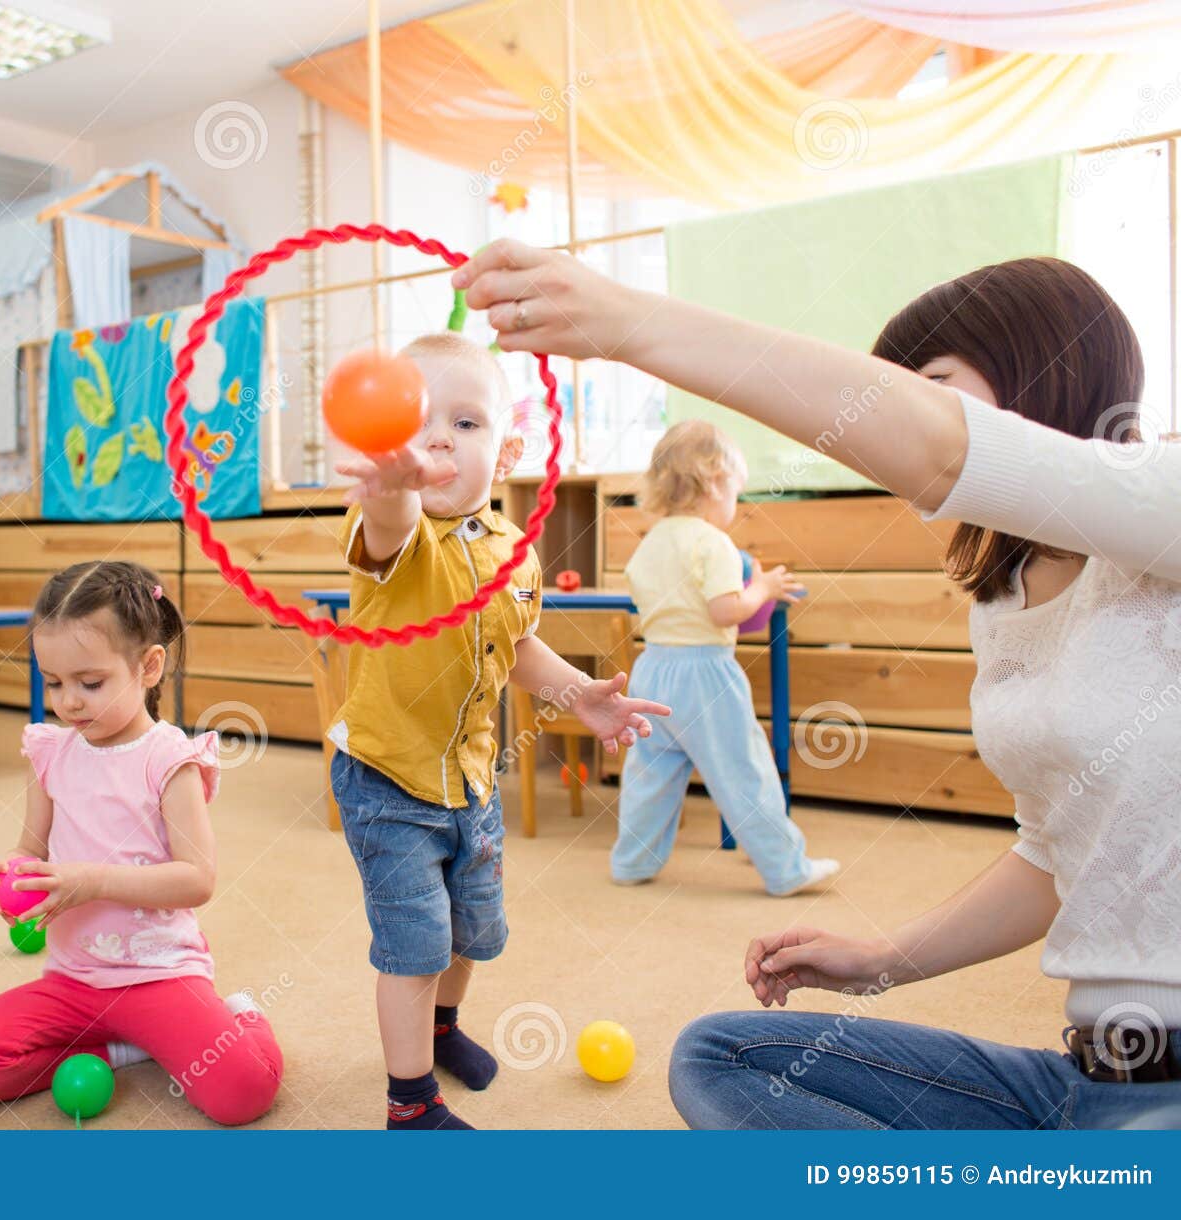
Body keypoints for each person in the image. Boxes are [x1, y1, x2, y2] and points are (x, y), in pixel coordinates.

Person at [452, 242, 1181, 1127]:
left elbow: (947, 452)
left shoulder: (1164, 501)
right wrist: (878, 959)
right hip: (1087, 1081)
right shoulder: (1005, 604)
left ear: (1040, 369)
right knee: (725, 1057)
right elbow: (1052, 854)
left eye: (932, 386)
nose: (890, 430)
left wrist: (629, 324)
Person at [329, 331, 669, 1129]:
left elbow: (516, 643)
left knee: (472, 930)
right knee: (414, 942)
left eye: (466, 424)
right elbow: (388, 514)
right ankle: (409, 1106)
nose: (439, 438)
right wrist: (387, 481)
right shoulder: (398, 538)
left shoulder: (515, 554)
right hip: (388, 781)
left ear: (508, 450)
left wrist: (580, 692)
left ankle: (441, 1031)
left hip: (473, 778)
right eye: (417, 423)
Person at [0, 560, 282, 1126]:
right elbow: (31, 848)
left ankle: (240, 1016)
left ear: (149, 667)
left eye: (90, 683)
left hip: (160, 975)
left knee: (242, 1091)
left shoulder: (171, 759)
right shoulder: (50, 752)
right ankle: (122, 1050)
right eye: (53, 682)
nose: (69, 701)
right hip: (74, 979)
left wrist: (92, 881)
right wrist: (12, 877)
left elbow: (197, 880)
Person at [616, 419, 833, 894]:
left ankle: (632, 861)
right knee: (743, 770)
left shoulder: (650, 542)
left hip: (651, 668)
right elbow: (724, 610)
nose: (735, 503)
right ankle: (785, 869)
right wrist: (763, 587)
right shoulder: (713, 543)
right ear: (715, 483)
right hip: (706, 674)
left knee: (650, 773)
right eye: (735, 491)